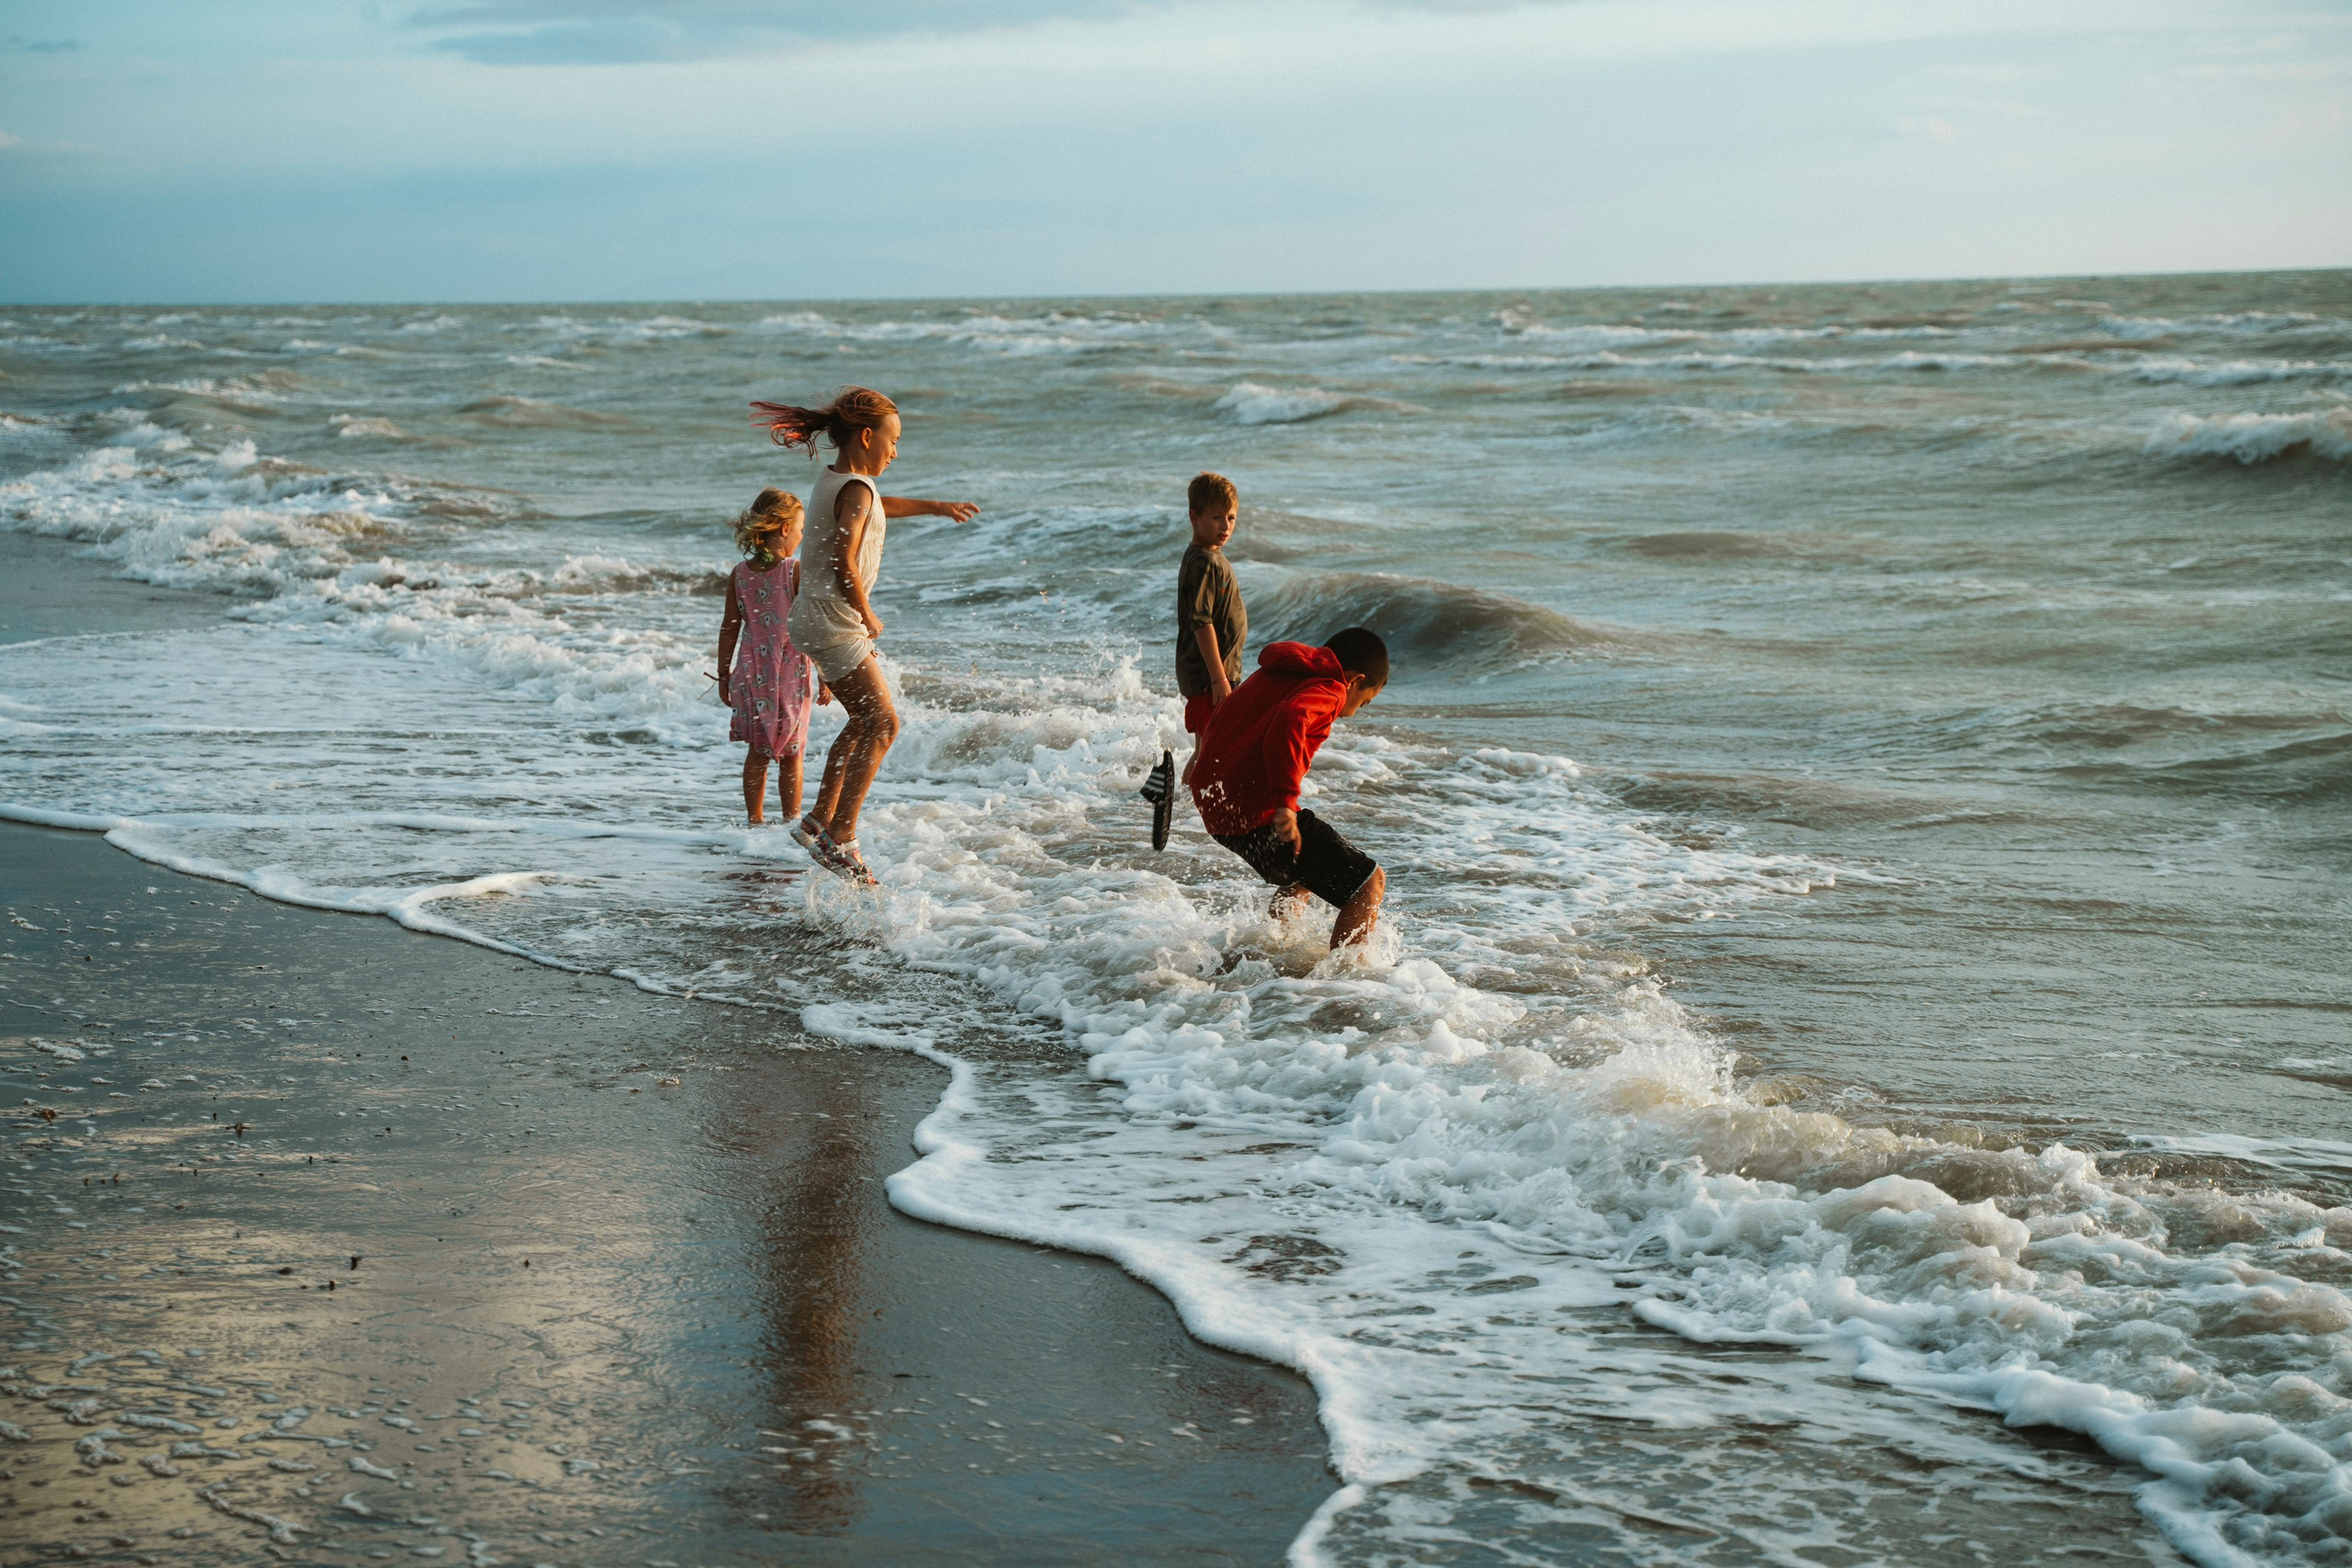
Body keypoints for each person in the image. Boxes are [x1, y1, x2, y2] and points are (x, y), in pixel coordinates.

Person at [749, 386, 978, 886]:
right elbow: (845, 558)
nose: (896, 452)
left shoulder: (842, 482)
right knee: (884, 724)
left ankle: (817, 821)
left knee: (862, 722)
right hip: (834, 619)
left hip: (814, 617)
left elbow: (876, 506)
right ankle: (842, 835)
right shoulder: (856, 488)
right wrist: (866, 612)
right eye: (893, 441)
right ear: (868, 437)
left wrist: (936, 506)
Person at [1189, 627, 1389, 950]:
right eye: (1364, 703)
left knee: (1303, 874)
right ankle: (1348, 979)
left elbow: (1227, 718)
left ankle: (1275, 952)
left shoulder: (1280, 673)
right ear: (1354, 680)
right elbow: (1291, 717)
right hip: (1255, 812)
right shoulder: (1332, 688)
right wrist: (1284, 802)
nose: (1352, 713)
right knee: (1369, 883)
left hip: (1220, 809)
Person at [1141, 472, 1248, 847]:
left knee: (1208, 748)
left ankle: (1177, 805)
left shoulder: (1209, 557)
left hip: (1212, 674)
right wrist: (1219, 679)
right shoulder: (1204, 562)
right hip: (1208, 676)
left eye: (1231, 518)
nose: (1225, 526)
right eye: (1216, 517)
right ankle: (1179, 805)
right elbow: (1201, 622)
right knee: (1212, 751)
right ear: (1194, 517)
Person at [714, 488, 828, 826]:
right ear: (784, 529)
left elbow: (729, 628)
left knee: (758, 751)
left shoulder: (740, 573)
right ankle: (791, 823)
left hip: (752, 673)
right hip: (790, 674)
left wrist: (723, 674)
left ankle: (755, 822)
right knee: (792, 753)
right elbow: (813, 626)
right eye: (800, 529)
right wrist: (826, 674)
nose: (802, 536)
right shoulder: (793, 571)